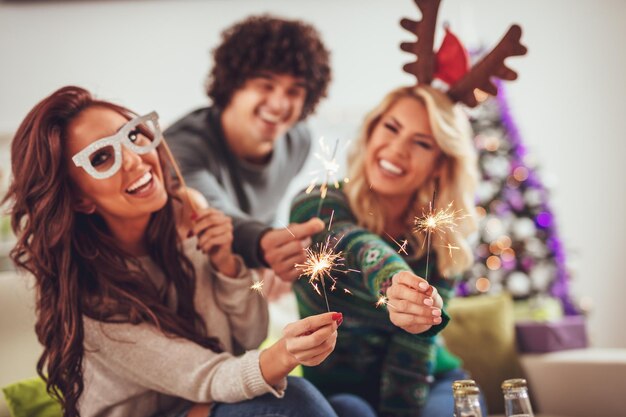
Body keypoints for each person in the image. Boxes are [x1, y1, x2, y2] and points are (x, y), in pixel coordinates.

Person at [3, 86, 377, 417]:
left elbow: (245, 341)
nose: (135, 159)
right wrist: (287, 354)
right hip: (182, 404)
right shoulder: (89, 295)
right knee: (292, 397)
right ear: (80, 198)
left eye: (133, 135)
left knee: (352, 408)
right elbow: (208, 374)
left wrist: (228, 265)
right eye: (102, 158)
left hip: (206, 400)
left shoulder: (187, 218)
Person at [290, 85, 484, 417]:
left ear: (440, 163)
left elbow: (418, 347)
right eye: (391, 128)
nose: (396, 150)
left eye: (421, 143)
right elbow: (350, 245)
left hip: (429, 380)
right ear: (372, 129)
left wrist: (423, 312)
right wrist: (394, 280)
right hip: (338, 394)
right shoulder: (319, 203)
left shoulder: (438, 239)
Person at [166, 15, 332, 287]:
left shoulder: (298, 140)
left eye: (294, 91)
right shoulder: (182, 148)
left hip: (248, 274)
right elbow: (210, 212)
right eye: (265, 85)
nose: (279, 105)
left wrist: (270, 254)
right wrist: (264, 245)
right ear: (233, 84)